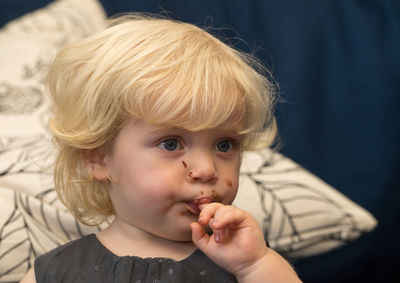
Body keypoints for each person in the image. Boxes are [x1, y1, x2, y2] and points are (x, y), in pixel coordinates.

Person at [21, 14, 301, 283]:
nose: (206, 169)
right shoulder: (59, 270)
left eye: (224, 145)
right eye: (171, 144)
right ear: (98, 158)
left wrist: (254, 265)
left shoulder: (245, 262)